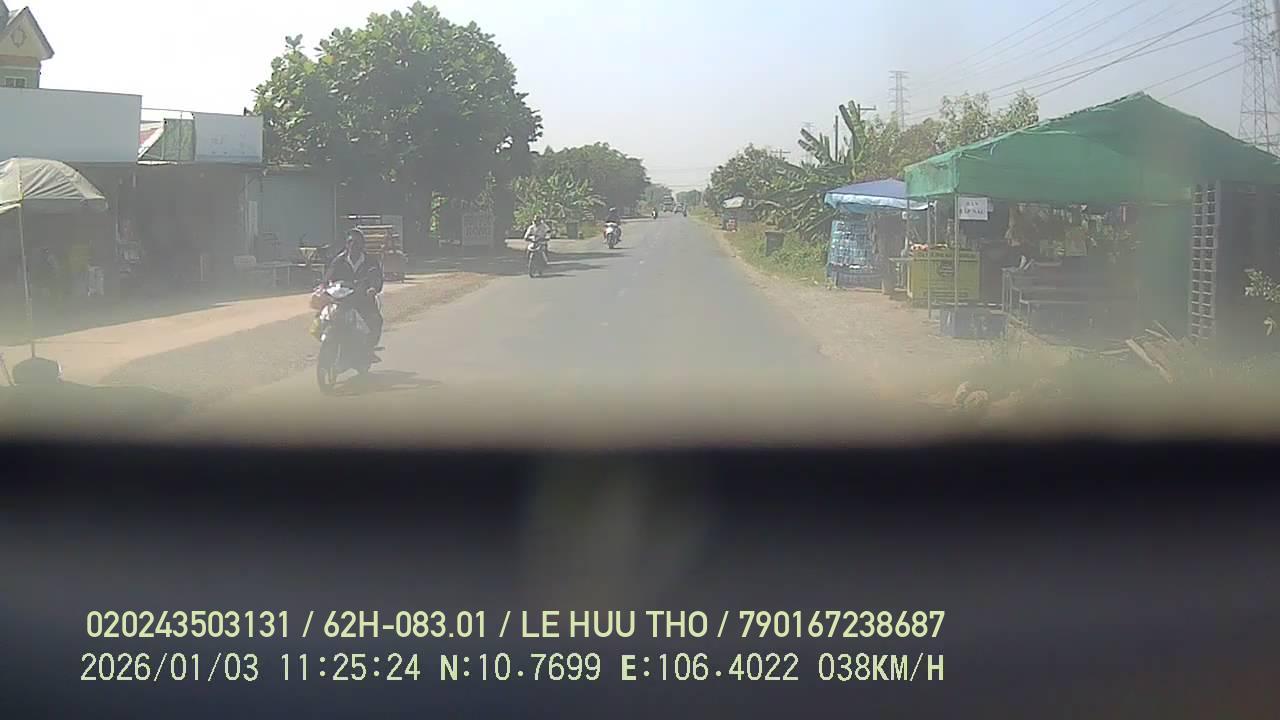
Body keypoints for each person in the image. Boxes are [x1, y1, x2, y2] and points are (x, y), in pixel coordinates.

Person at [323, 229, 384, 362]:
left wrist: (373, 288)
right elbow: (329, 276)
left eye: (357, 242)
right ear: (346, 244)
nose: (353, 245)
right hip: (343, 299)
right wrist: (322, 287)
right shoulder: (339, 260)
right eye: (350, 242)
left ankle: (368, 350)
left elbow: (377, 277)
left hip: (363, 300)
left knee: (375, 320)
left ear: (362, 245)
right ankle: (330, 344)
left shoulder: (370, 261)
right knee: (324, 317)